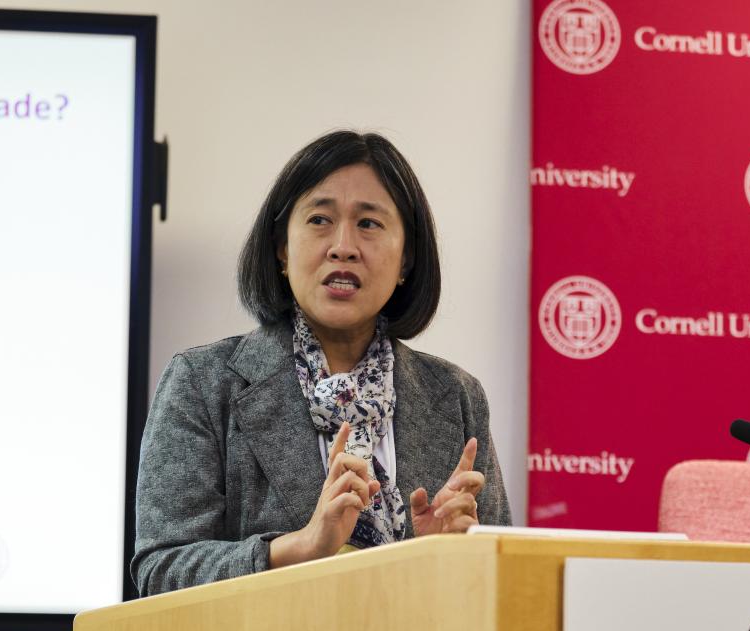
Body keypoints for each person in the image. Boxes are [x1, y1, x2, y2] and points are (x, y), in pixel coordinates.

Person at [131, 130, 510, 596]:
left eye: (369, 224)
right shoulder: (204, 384)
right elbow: (161, 571)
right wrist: (301, 546)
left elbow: (500, 586)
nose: (343, 246)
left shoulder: (455, 396)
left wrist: (449, 557)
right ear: (282, 250)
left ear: (406, 257)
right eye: (320, 219)